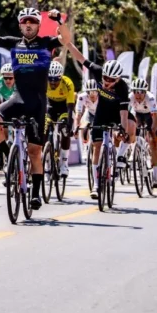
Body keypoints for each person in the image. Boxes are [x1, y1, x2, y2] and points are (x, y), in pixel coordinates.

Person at [0, 7, 72, 210]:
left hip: (38, 103)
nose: (28, 24)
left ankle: (36, 195)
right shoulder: (14, 43)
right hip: (17, 98)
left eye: (32, 21)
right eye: (24, 21)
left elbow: (65, 38)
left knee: (34, 152)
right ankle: (7, 155)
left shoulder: (46, 43)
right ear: (20, 25)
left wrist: (59, 21)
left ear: (38, 25)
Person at [65, 42, 131, 200]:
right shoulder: (97, 71)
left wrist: (122, 129)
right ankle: (96, 184)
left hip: (116, 113)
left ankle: (119, 157)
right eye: (105, 78)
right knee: (96, 147)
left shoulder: (122, 88)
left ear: (118, 79)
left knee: (127, 129)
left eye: (111, 80)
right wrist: (67, 43)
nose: (107, 82)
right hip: (101, 112)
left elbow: (123, 113)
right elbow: (81, 58)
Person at [46, 60, 76, 176]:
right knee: (44, 127)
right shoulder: (43, 81)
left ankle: (64, 162)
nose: (53, 83)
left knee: (64, 130)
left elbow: (70, 107)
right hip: (50, 105)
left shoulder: (68, 83)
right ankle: (47, 159)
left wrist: (69, 124)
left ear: (61, 77)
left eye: (56, 80)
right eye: (50, 79)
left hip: (64, 106)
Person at [128, 78, 157, 185]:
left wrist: (153, 131)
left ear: (145, 92)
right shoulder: (130, 97)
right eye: (135, 91)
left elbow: (155, 117)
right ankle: (133, 150)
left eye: (141, 92)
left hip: (148, 114)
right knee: (133, 126)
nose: (138, 95)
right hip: (137, 113)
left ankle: (155, 177)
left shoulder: (150, 98)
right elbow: (126, 112)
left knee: (154, 143)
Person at [74, 79, 99, 146]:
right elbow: (78, 114)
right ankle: (86, 146)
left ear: (98, 91)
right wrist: (76, 128)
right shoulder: (82, 97)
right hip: (89, 112)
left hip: (100, 114)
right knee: (83, 126)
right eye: (89, 92)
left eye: (94, 91)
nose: (92, 94)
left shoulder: (102, 96)